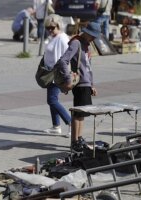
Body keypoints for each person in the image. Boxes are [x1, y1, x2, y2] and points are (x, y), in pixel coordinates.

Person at [55, 22, 101, 152]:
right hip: (79, 83)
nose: (94, 39)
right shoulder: (76, 43)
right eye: (92, 36)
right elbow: (63, 61)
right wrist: (68, 78)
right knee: (78, 113)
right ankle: (75, 142)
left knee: (82, 113)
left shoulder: (87, 45)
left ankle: (79, 138)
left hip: (86, 83)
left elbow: (89, 67)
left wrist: (92, 84)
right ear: (86, 33)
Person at [43, 14, 71, 137]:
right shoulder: (54, 37)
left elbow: (65, 57)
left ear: (58, 25)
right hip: (51, 73)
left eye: (52, 27)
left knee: (52, 100)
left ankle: (70, 123)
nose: (49, 30)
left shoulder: (62, 38)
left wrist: (65, 77)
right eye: (47, 27)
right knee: (52, 100)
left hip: (56, 74)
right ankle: (56, 126)